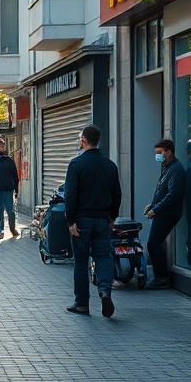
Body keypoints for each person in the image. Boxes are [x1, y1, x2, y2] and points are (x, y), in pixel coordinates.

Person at [63, 124, 122, 317]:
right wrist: (112, 217)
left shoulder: (76, 164)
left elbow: (70, 194)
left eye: (80, 137)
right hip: (103, 220)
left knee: (80, 262)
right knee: (103, 256)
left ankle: (81, 304)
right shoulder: (110, 165)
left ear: (84, 140)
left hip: (81, 220)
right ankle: (105, 290)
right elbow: (117, 194)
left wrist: (71, 220)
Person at [143, 138, 186, 289]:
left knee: (153, 243)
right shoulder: (168, 167)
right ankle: (160, 277)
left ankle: (161, 278)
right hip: (164, 211)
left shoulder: (176, 169)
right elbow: (163, 191)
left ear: (168, 152)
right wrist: (152, 205)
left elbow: (173, 194)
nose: (158, 156)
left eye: (160, 153)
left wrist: (156, 209)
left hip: (168, 213)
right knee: (154, 243)